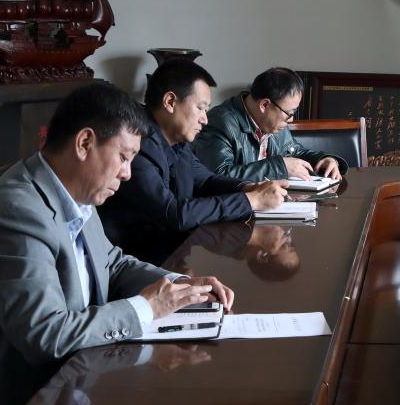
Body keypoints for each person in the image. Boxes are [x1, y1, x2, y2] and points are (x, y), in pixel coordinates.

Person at [0, 82, 235, 405]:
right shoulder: (15, 214)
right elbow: (46, 334)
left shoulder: (72, 191)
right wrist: (147, 307)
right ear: (85, 143)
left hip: (67, 384)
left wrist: (178, 286)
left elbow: (112, 263)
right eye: (123, 157)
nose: (127, 173)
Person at [99, 59, 287, 265]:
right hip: (132, 264)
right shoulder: (137, 143)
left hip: (171, 255)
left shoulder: (176, 140)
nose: (205, 119)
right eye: (200, 108)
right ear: (170, 102)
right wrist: (251, 201)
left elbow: (205, 180)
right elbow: (174, 214)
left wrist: (249, 187)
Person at [193, 67, 347, 182]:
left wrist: (325, 160)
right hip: (237, 211)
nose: (290, 120)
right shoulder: (220, 122)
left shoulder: (272, 122)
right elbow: (217, 176)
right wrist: (279, 167)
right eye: (289, 114)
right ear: (265, 105)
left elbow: (294, 152)